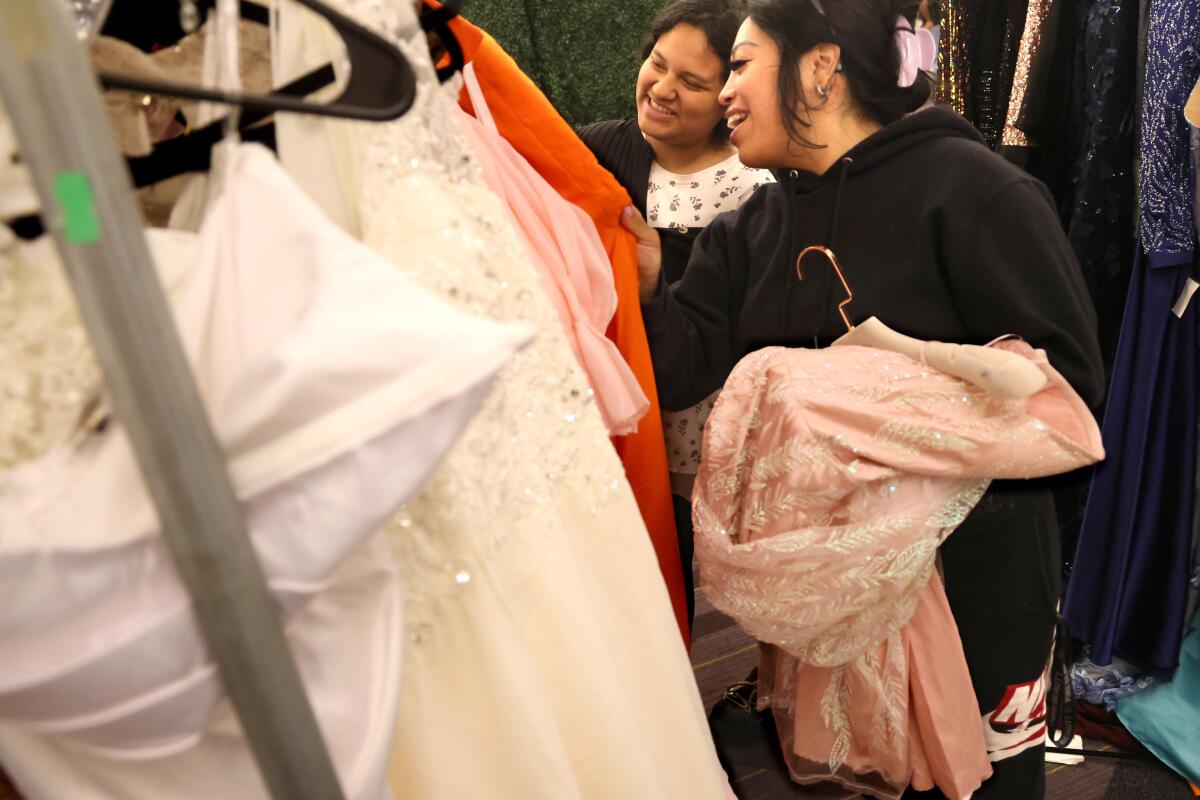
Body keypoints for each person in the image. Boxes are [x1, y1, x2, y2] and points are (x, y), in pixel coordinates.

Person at [622, 0, 1104, 797]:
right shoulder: (755, 228)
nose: (725, 93)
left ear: (819, 69)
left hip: (974, 582)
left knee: (981, 785)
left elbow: (1070, 401)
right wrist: (645, 290)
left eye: (740, 65)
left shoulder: (975, 191)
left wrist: (858, 413)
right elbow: (680, 369)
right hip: (829, 602)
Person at [580, 0, 772, 632]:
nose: (662, 89)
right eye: (658, 65)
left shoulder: (754, 190)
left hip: (702, 417)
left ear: (728, 96)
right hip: (618, 407)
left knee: (678, 566)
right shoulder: (606, 148)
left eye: (691, 83)